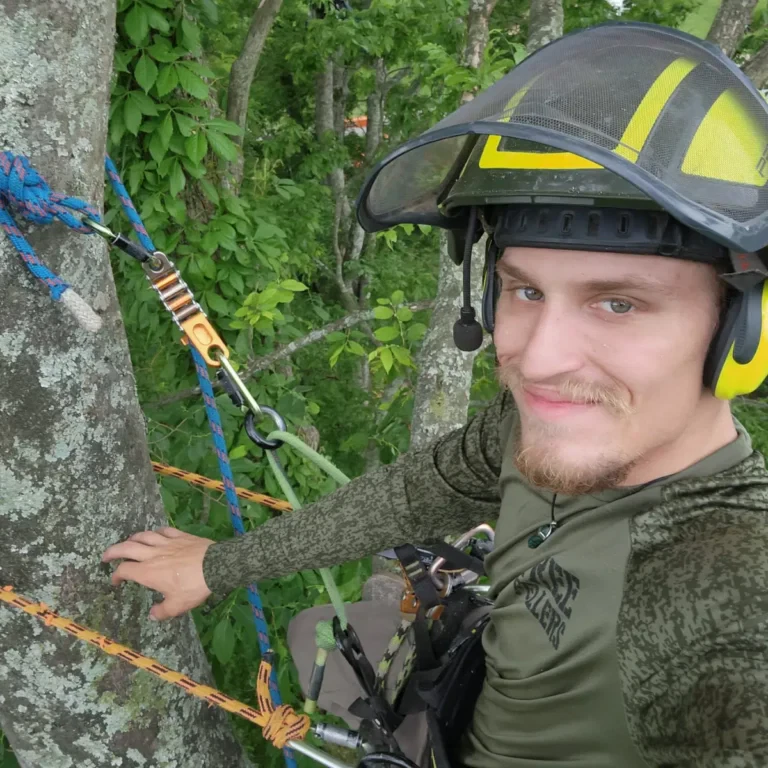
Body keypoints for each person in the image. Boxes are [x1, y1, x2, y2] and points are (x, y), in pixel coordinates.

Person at [102, 21, 768, 768]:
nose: (537, 358)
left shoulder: (721, 587)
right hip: (459, 710)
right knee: (317, 635)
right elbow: (415, 492)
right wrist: (218, 566)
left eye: (619, 303)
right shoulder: (525, 430)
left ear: (742, 334)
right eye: (524, 290)